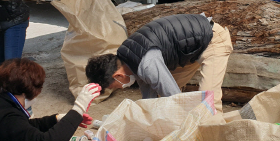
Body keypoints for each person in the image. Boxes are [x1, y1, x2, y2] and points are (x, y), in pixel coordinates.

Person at [85, 13, 232, 112]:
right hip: (190, 48)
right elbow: (150, 99)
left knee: (208, 101)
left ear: (118, 76)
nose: (121, 88)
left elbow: (174, 98)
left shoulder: (146, 64)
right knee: (167, 94)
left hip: (213, 39)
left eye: (116, 87)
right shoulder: (130, 57)